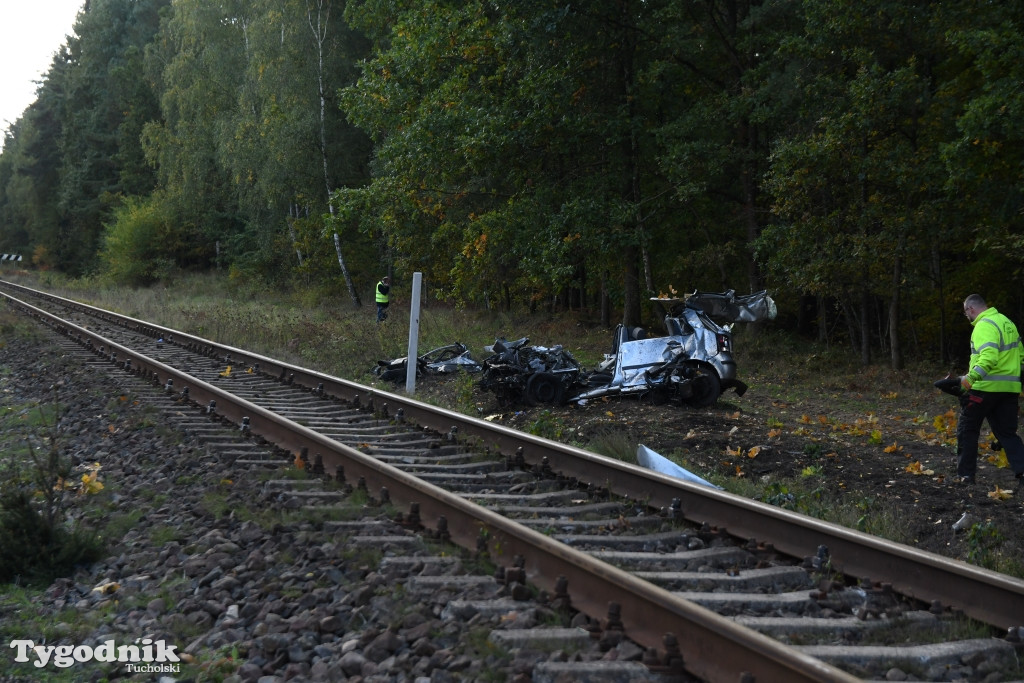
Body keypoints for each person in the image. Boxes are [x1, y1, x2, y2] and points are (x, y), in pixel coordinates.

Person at [956, 293, 1024, 489]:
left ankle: (966, 477)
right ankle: (1022, 473)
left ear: (971, 309)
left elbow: (988, 358)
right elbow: (1020, 355)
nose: (967, 317)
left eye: (966, 313)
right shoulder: (1007, 322)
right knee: (1007, 433)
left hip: (984, 388)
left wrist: (969, 380)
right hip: (1010, 389)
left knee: (967, 429)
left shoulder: (984, 325)